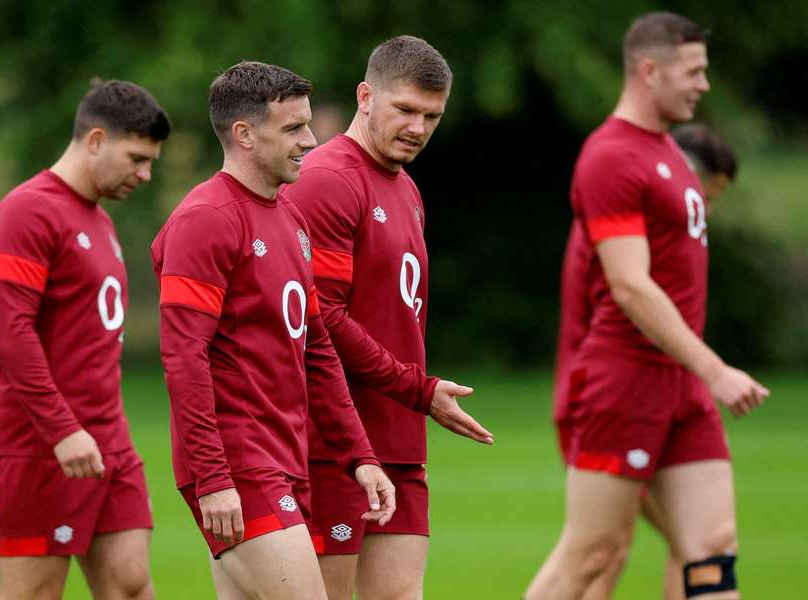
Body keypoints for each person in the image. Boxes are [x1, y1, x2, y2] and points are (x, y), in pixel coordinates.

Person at [526, 13, 768, 600]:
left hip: (679, 382)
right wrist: (716, 369)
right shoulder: (610, 156)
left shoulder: (668, 153)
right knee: (593, 555)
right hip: (627, 380)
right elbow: (630, 287)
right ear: (649, 70)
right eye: (694, 72)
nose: (703, 84)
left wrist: (697, 373)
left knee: (711, 544)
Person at [150, 61, 395, 600]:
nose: (311, 140)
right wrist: (213, 479)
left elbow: (318, 351)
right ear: (243, 134)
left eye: (307, 125)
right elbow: (183, 358)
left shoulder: (288, 217)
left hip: (285, 457)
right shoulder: (206, 219)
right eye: (292, 128)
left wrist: (361, 456)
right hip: (239, 463)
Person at [282, 35, 493, 600]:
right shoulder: (328, 178)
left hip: (399, 439)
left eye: (432, 116)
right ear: (366, 96)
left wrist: (413, 397)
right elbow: (321, 315)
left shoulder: (408, 190)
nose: (418, 129)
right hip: (334, 443)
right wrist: (417, 389)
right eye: (405, 110)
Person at [0, 79, 170, 599]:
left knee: (130, 583)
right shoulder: (27, 212)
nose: (145, 174)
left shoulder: (98, 219)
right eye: (136, 158)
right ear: (95, 140)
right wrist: (63, 430)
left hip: (108, 438)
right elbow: (12, 334)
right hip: (41, 444)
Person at [552, 122, 740, 600]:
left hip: (659, 390)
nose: (705, 213)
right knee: (599, 553)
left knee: (699, 543)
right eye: (705, 196)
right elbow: (627, 302)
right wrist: (712, 369)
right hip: (611, 394)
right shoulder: (623, 224)